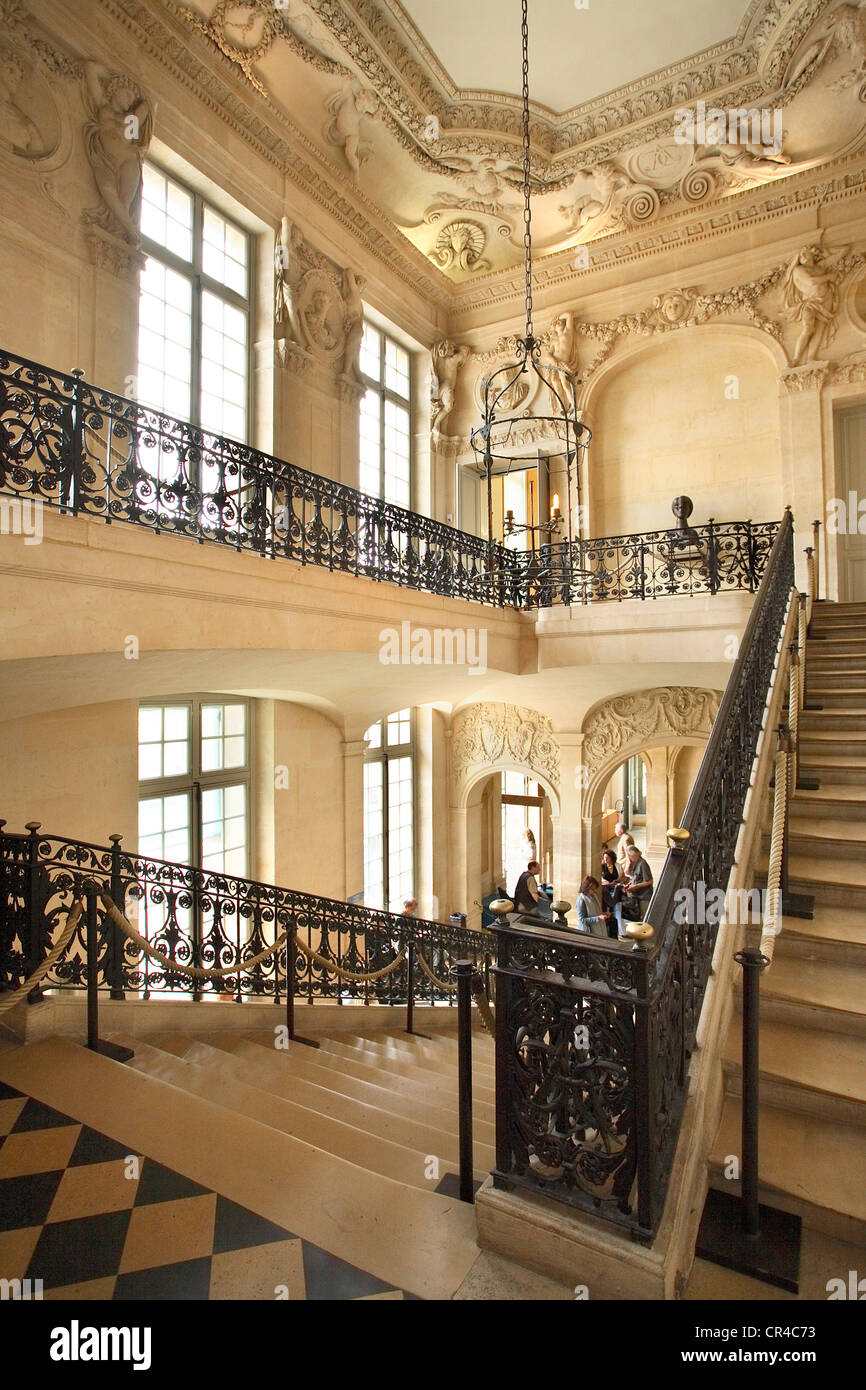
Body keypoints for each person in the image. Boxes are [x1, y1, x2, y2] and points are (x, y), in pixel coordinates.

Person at [621, 844, 653, 925]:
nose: (628, 857)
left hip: (644, 896)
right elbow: (634, 877)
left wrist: (636, 886)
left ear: (633, 855)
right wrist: (630, 884)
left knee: (645, 918)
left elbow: (649, 881)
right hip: (636, 895)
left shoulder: (643, 864)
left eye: (629, 856)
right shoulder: (635, 863)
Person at [600, 848, 622, 937]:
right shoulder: (602, 866)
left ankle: (619, 928)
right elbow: (600, 878)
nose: (605, 860)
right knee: (609, 905)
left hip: (616, 888)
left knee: (617, 906)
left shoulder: (617, 866)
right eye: (604, 858)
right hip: (606, 889)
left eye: (607, 858)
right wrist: (608, 883)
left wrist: (617, 881)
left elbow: (622, 876)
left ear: (612, 858)